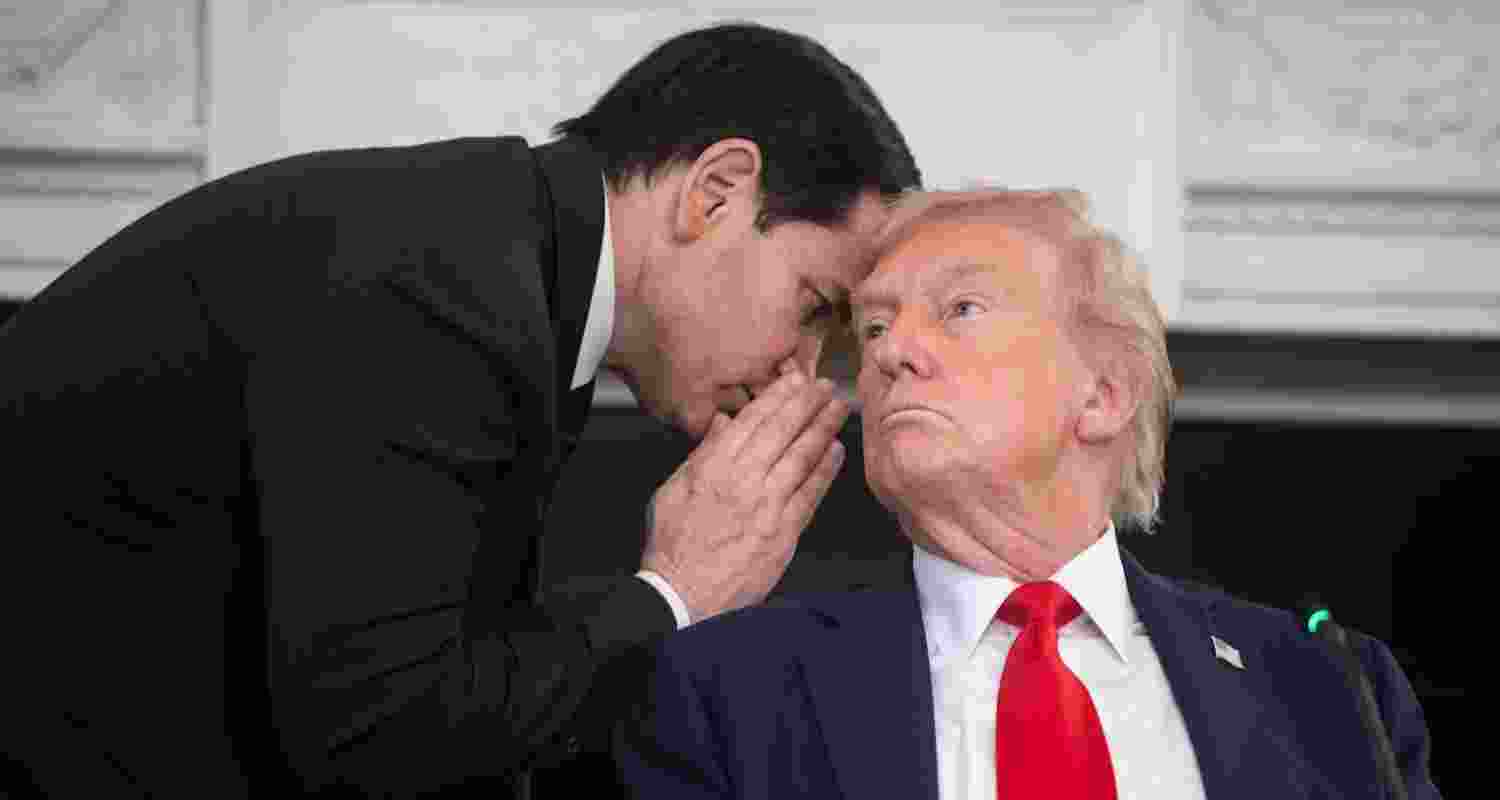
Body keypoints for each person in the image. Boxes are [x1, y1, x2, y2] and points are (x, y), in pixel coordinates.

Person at [0, 22, 920, 797]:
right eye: (813, 309)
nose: (801, 371)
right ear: (715, 191)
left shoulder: (497, 251)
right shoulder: (439, 290)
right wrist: (674, 591)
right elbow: (380, 736)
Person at [615, 189, 1442, 799]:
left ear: (1103, 396)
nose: (893, 350)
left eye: (960, 309)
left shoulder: (1329, 690)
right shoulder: (731, 688)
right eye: (871, 328)